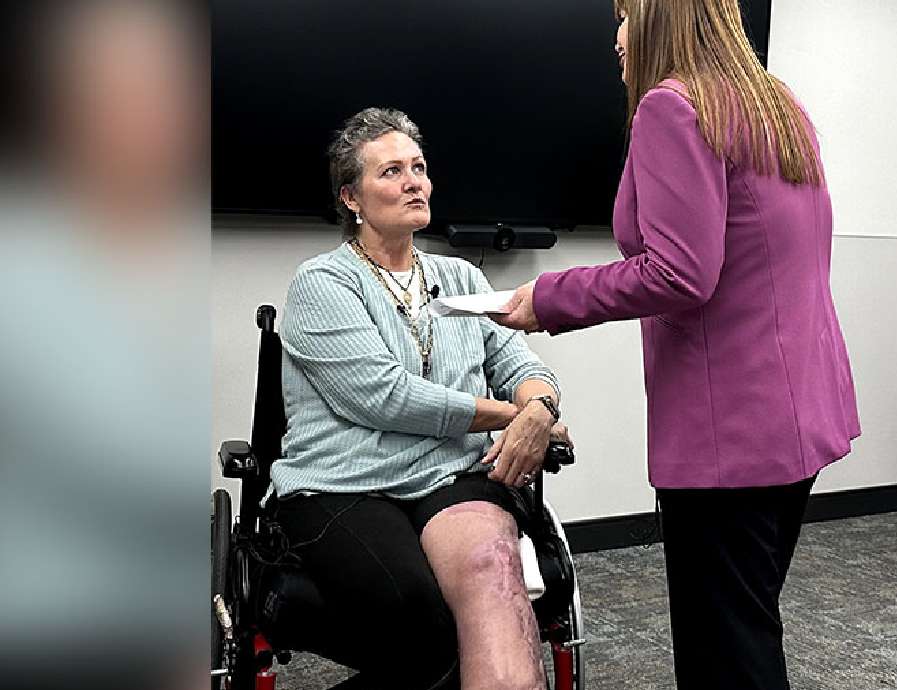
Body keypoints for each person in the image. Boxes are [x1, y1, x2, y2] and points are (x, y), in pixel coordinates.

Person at [495, 1, 860, 688]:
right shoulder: (776, 107)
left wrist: (550, 298)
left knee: (727, 653)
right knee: (748, 626)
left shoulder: (674, 108)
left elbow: (681, 271)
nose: (617, 37)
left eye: (627, 16)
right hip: (800, 420)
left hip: (733, 440)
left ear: (661, 19)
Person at [271, 107, 570, 690]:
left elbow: (520, 362)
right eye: (391, 172)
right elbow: (385, 397)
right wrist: (513, 416)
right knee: (422, 620)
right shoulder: (321, 283)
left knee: (491, 570)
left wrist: (539, 409)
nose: (415, 182)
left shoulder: (461, 278)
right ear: (351, 197)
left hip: (451, 475)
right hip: (345, 483)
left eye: (419, 167)